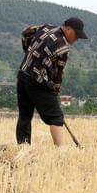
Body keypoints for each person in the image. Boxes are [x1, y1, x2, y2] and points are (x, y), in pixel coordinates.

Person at [15, 17, 87, 146]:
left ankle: (23, 149)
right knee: (56, 118)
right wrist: (55, 91)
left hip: (23, 74)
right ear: (68, 29)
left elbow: (26, 32)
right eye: (76, 36)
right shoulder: (63, 47)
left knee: (25, 115)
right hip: (39, 81)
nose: (76, 40)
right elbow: (58, 74)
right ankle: (60, 152)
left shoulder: (46, 28)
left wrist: (29, 52)